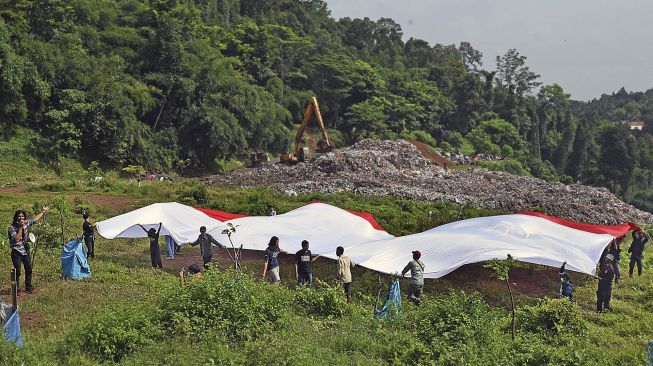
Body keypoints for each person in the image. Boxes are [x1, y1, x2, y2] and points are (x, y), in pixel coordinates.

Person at [8, 206, 49, 293]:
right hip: (16, 251)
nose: (21, 218)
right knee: (17, 271)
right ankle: (16, 289)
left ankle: (28, 287)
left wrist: (43, 211)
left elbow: (35, 219)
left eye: (22, 216)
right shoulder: (11, 228)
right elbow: (16, 239)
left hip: (25, 250)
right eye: (19, 216)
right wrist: (20, 228)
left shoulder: (26, 223)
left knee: (29, 269)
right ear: (16, 217)